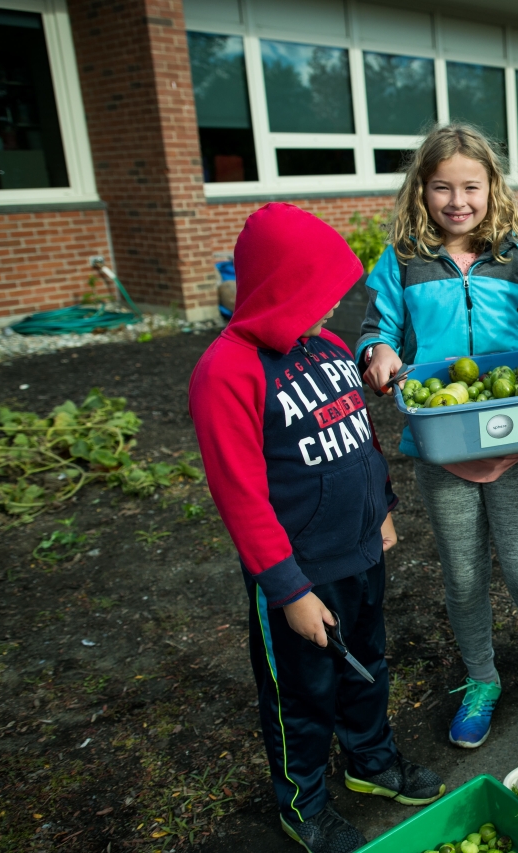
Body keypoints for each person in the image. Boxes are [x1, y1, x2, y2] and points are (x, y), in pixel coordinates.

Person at [188, 202, 446, 853]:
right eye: (317, 295)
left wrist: (382, 507)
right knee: (301, 693)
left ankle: (370, 761)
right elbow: (240, 495)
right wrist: (288, 588)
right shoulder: (227, 372)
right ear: (278, 288)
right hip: (300, 575)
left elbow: (360, 438)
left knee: (369, 664)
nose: (331, 310)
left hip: (360, 552)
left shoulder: (326, 346)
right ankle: (302, 803)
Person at [354, 124, 518, 749]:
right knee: (461, 576)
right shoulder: (401, 261)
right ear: (421, 191)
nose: (457, 201)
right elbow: (376, 325)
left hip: (516, 441)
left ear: (492, 188)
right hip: (444, 447)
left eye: (471, 187)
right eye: (442, 188)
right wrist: (376, 350)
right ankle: (481, 679)